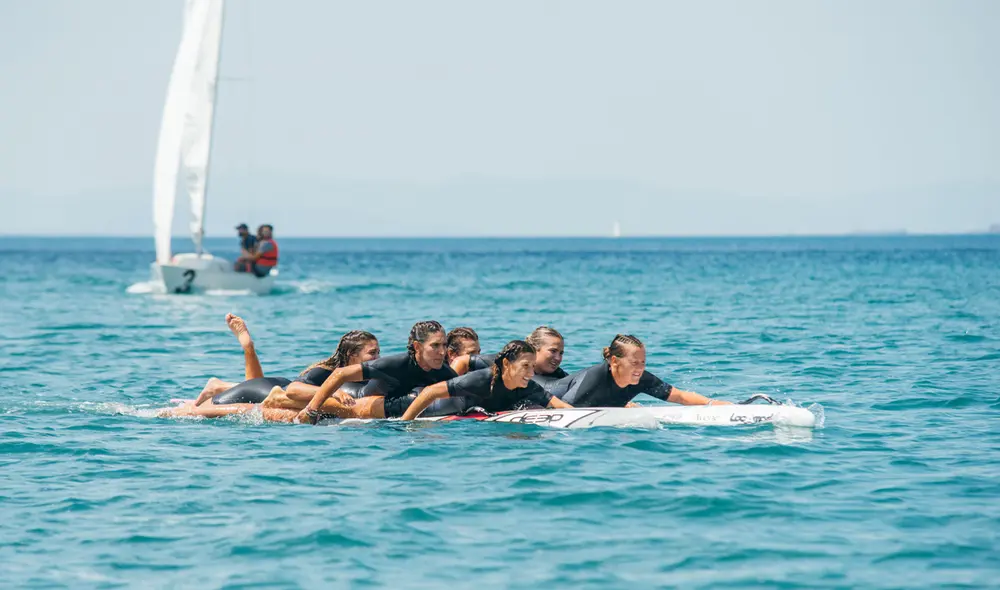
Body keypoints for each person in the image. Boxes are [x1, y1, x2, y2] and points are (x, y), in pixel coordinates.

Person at [187, 314, 378, 407]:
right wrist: (333, 393)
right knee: (252, 389)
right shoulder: (326, 372)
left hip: (278, 383)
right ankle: (247, 347)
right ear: (353, 356)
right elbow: (294, 390)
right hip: (276, 389)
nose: (378, 358)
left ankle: (220, 385)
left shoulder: (362, 377)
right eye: (372, 353)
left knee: (251, 383)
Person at [401, 340, 573, 420]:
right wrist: (407, 424)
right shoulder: (481, 380)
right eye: (526, 365)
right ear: (507, 364)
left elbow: (560, 406)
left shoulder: (528, 386)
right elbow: (430, 392)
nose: (531, 372)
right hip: (429, 406)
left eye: (532, 366)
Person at [550, 334, 733, 408]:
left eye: (643, 362)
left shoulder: (641, 379)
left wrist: (714, 404)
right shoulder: (596, 377)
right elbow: (562, 408)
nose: (639, 368)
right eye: (634, 362)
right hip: (544, 391)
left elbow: (679, 396)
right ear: (615, 361)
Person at [452, 326, 569, 392]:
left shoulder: (560, 375)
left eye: (561, 353)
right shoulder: (508, 362)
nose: (558, 358)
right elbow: (462, 361)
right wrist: (449, 389)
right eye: (553, 351)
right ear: (534, 349)